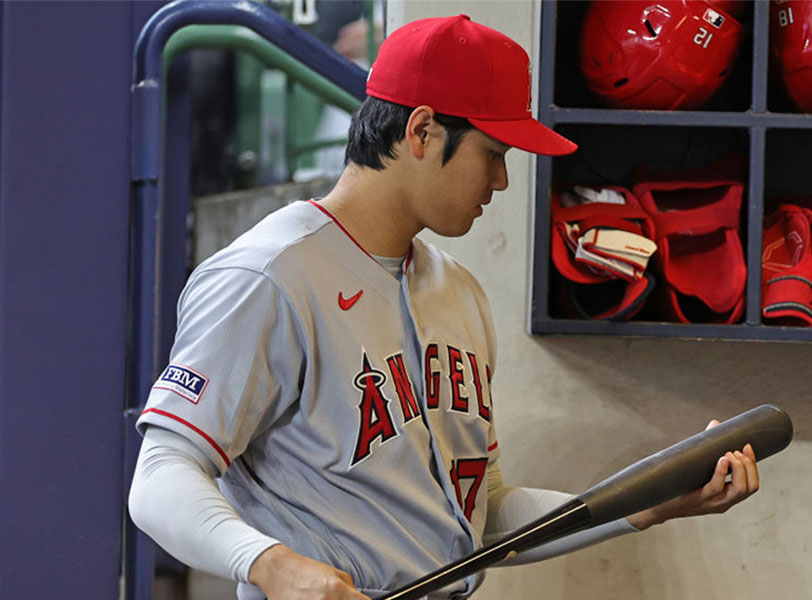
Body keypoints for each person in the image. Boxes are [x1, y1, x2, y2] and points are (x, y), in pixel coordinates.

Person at [128, 14, 760, 600]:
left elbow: (482, 516)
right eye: (494, 152)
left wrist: (645, 504)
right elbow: (160, 475)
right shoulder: (267, 276)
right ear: (422, 131)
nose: (503, 181)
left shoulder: (461, 293)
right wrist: (270, 563)